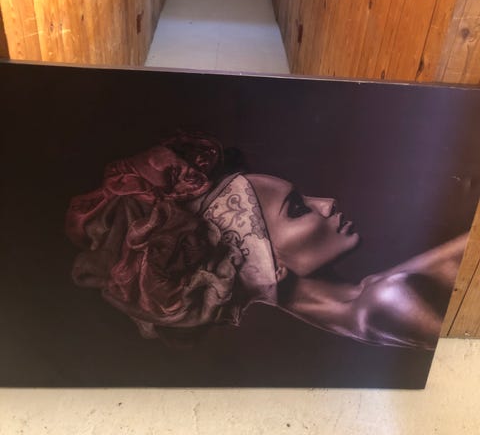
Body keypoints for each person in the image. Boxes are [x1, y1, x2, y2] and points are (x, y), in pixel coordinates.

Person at [65, 133, 466, 350]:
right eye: (297, 209)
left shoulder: (374, 295)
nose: (326, 203)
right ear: (273, 267)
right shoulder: (386, 300)